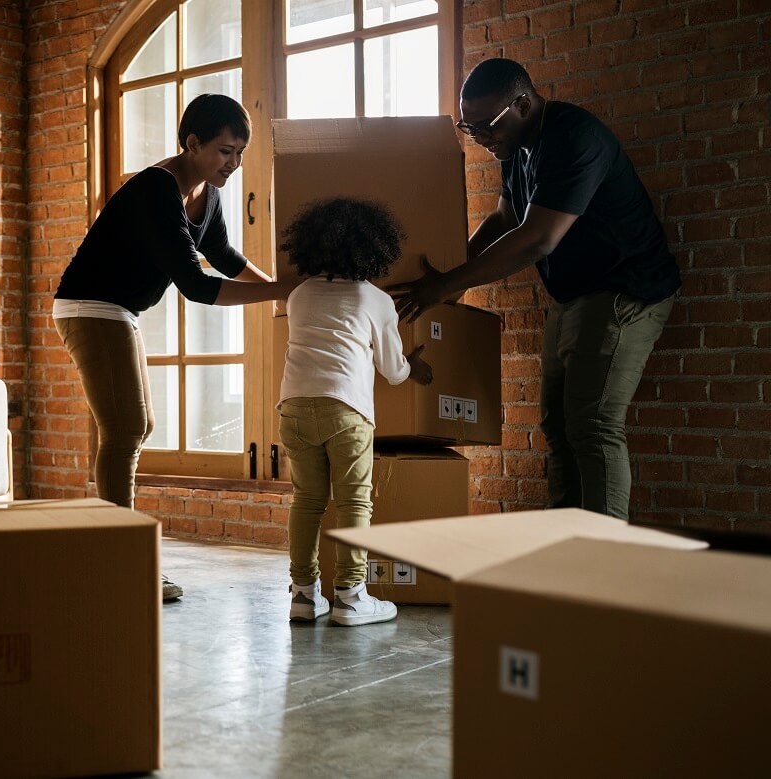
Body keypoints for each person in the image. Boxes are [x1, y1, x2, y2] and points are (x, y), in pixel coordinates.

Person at [390, 58, 680, 521]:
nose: (482, 139)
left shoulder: (573, 137)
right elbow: (507, 218)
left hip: (626, 289)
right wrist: (451, 272)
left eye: (488, 127)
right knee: (559, 426)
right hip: (575, 295)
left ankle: (602, 568)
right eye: (472, 128)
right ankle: (563, 547)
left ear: (522, 104)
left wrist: (448, 285)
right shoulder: (516, 146)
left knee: (594, 425)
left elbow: (538, 237)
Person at [54, 94, 300, 602]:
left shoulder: (207, 196)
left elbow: (225, 258)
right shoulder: (154, 189)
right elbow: (194, 283)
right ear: (192, 144)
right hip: (89, 306)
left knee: (137, 426)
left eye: (239, 154)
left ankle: (120, 553)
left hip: (119, 310)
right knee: (123, 428)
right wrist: (280, 293)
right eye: (225, 152)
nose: (232, 164)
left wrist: (284, 295)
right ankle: (122, 562)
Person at [277, 198, 433, 625]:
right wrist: (413, 368)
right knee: (353, 502)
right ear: (374, 249)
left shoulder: (300, 295)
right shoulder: (375, 298)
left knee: (306, 501)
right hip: (346, 409)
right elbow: (392, 368)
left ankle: (304, 595)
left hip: (292, 406)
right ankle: (350, 596)